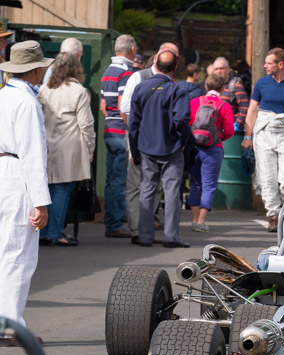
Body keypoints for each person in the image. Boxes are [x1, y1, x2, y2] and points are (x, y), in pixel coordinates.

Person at [0, 41, 53, 331]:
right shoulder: (27, 102)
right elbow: (33, 155)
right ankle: (9, 325)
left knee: (5, 252)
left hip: (3, 170)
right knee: (18, 255)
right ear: (34, 70)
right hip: (16, 174)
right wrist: (40, 202)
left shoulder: (3, 96)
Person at [128, 50, 192, 248]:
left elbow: (133, 123)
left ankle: (145, 236)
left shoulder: (141, 87)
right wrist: (184, 140)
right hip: (171, 147)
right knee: (172, 192)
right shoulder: (177, 90)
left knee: (147, 189)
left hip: (146, 147)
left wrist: (135, 150)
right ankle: (171, 236)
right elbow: (180, 119)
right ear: (175, 68)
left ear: (156, 64)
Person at [241, 47, 284, 232]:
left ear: (280, 65)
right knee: (267, 178)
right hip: (265, 134)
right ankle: (273, 215)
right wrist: (248, 136)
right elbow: (252, 111)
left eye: (268, 63)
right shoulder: (262, 84)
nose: (264, 66)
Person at [37, 53, 95, 247]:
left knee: (47, 189)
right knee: (63, 189)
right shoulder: (78, 91)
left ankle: (43, 233)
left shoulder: (44, 89)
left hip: (47, 144)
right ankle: (55, 232)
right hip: (69, 146)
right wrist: (90, 148)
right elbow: (86, 124)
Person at [99, 34, 137, 239]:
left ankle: (111, 221)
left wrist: (112, 118)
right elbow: (124, 106)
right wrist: (132, 129)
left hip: (109, 129)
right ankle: (115, 223)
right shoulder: (125, 73)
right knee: (119, 180)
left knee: (111, 179)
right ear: (131, 49)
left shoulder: (108, 71)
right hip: (121, 132)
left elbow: (104, 105)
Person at [188, 73, 234, 232]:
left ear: (206, 87)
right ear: (222, 88)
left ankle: (193, 220)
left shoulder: (194, 102)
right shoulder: (224, 106)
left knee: (195, 184)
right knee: (208, 185)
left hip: (194, 148)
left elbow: (187, 124)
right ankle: (201, 222)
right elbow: (229, 130)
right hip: (214, 149)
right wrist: (219, 138)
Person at [210, 57, 248, 129]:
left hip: (230, 132)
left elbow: (244, 109)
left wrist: (236, 125)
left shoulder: (236, 86)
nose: (218, 71)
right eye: (216, 69)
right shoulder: (212, 86)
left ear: (228, 70)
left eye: (221, 68)